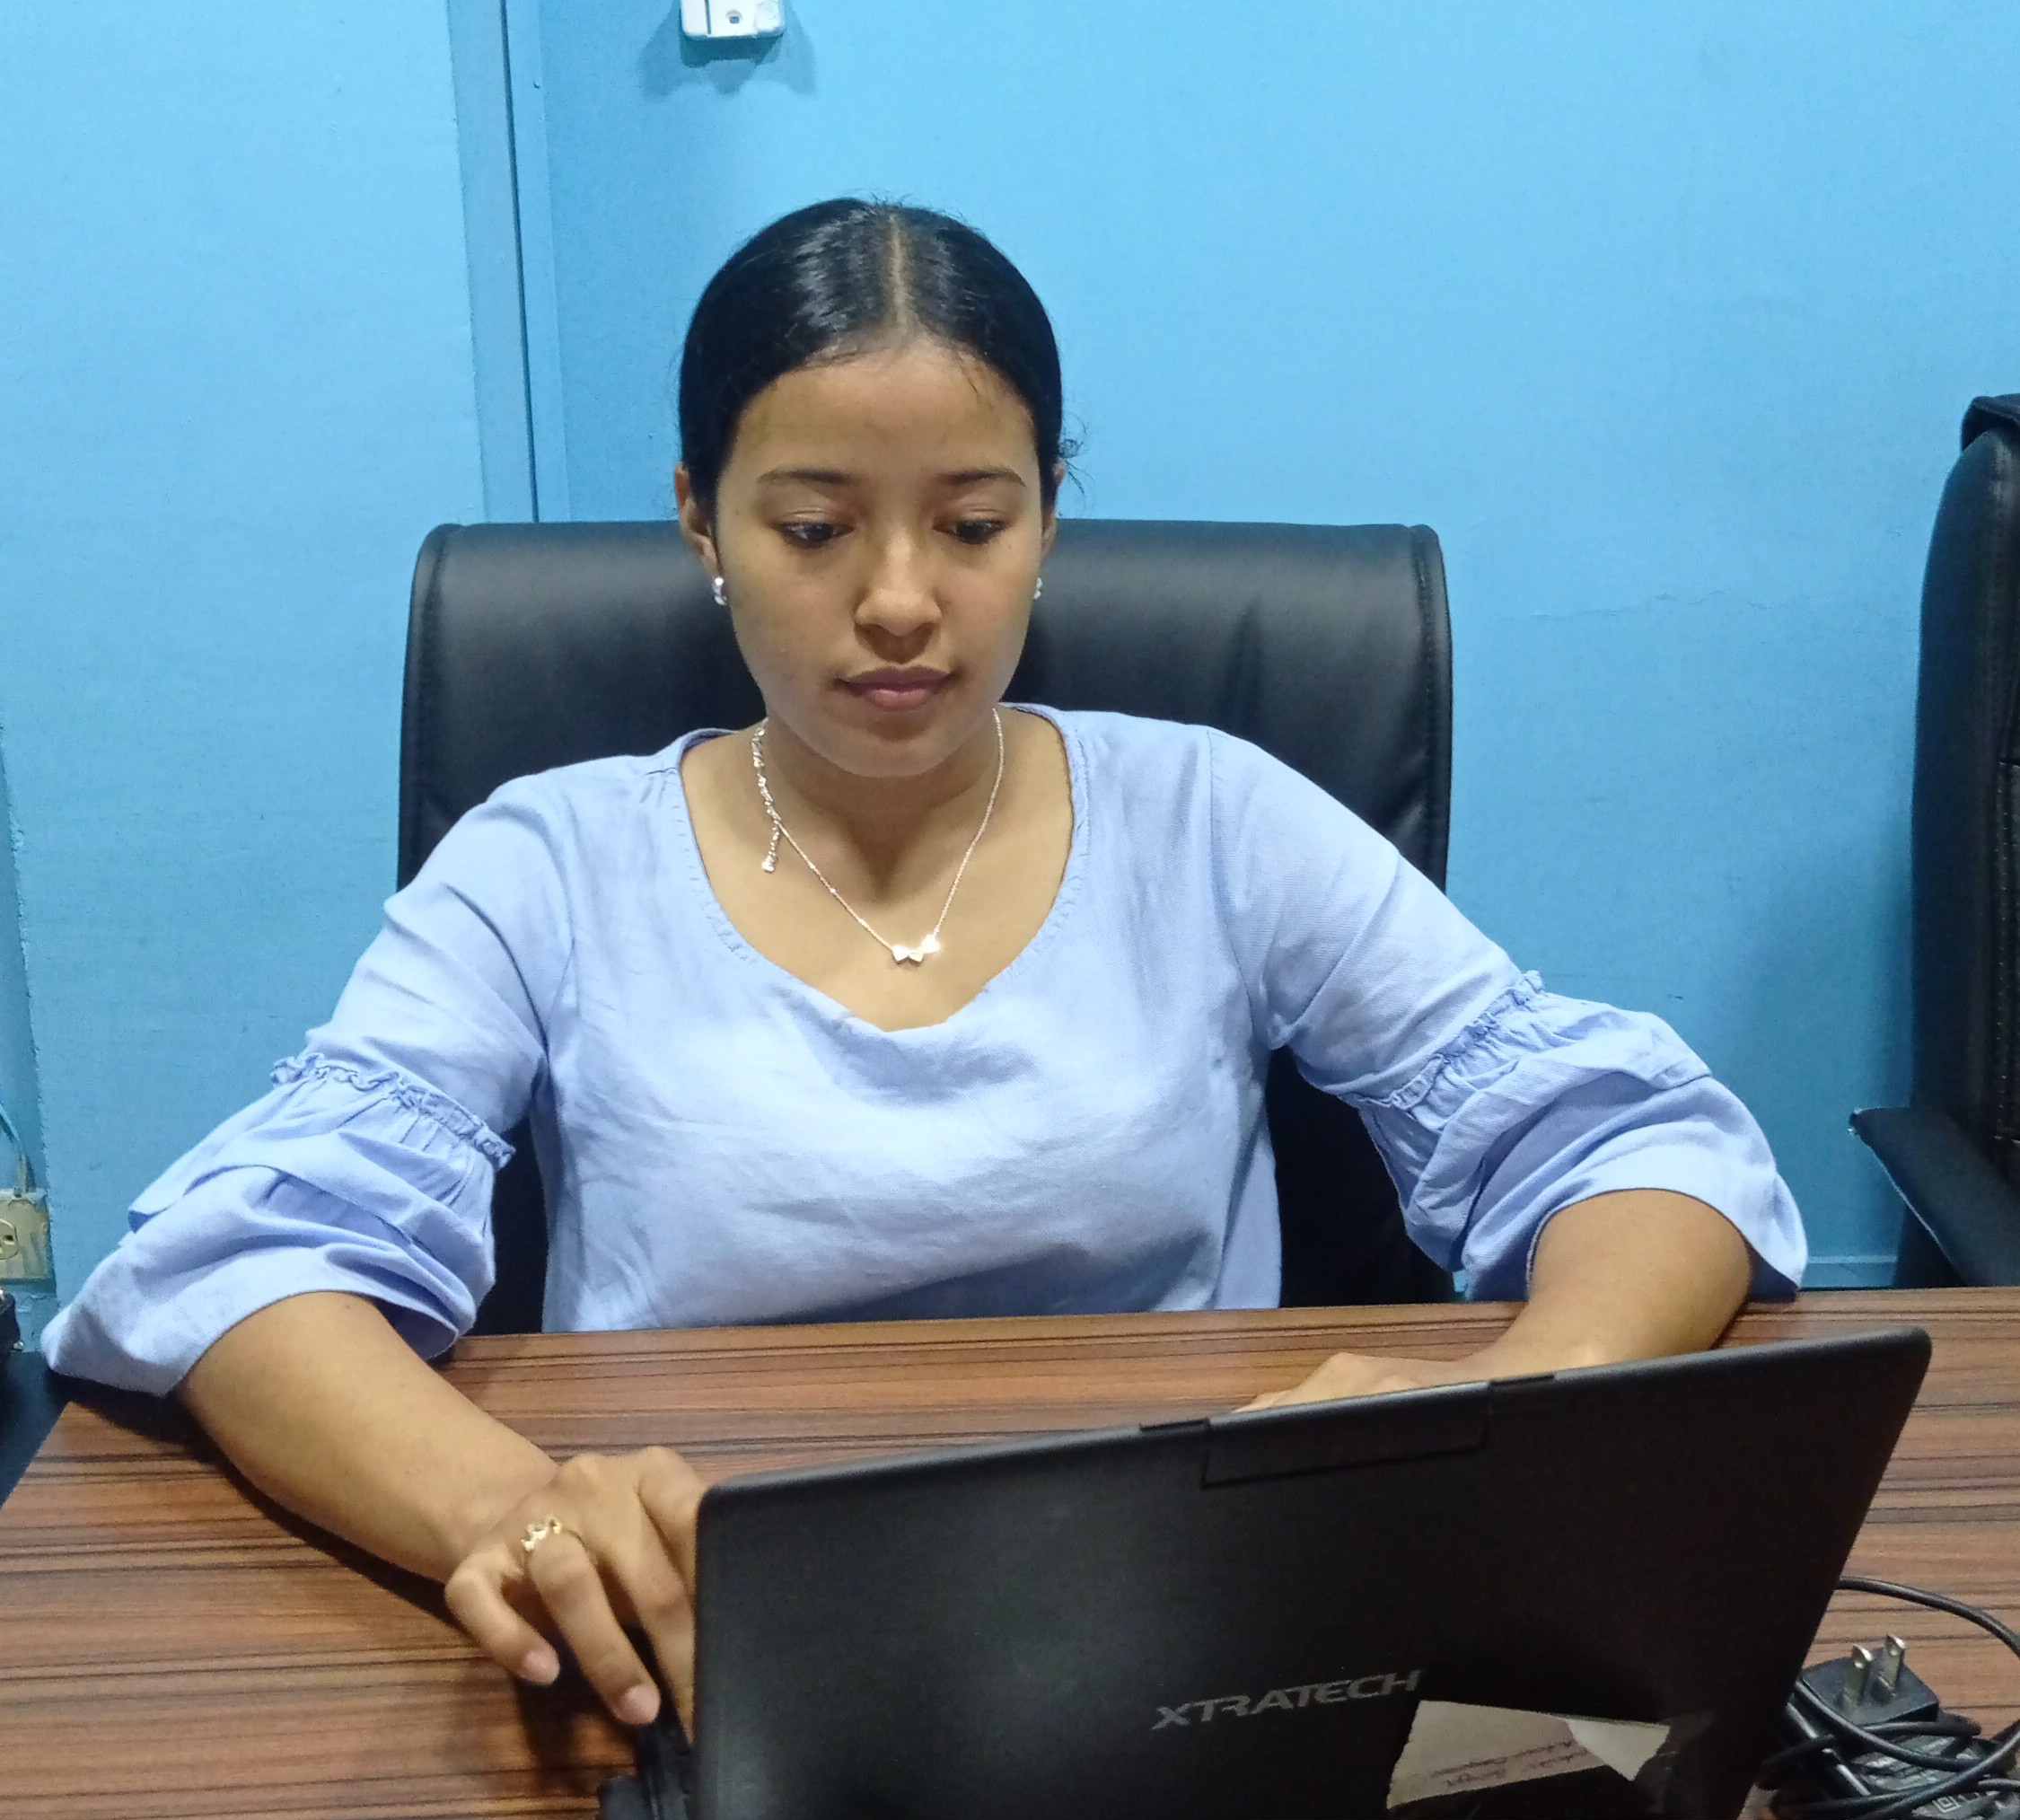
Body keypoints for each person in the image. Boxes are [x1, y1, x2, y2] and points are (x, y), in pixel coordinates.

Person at [48, 198, 1804, 1736]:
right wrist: (510, 1508)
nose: (900, 600)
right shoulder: (550, 859)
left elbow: (1635, 1143)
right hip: (695, 1633)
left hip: (1193, 1624)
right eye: (815, 528)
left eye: (971, 524)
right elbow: (246, 1263)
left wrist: (1509, 1404)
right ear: (700, 520)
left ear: (1049, 515)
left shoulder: (1214, 816)